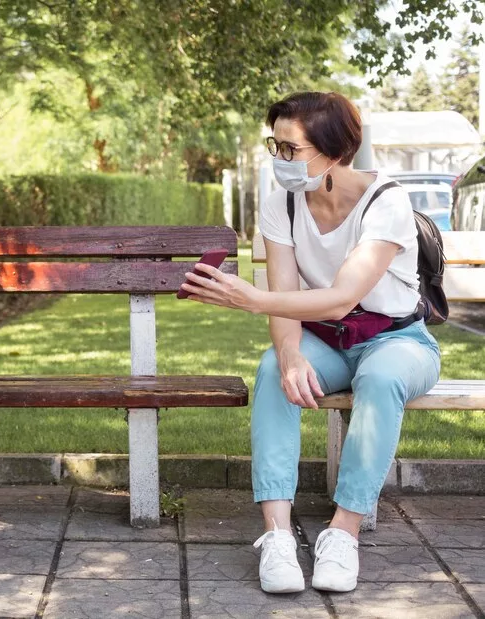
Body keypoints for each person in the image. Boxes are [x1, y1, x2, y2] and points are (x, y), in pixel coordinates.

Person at [179, 91, 440, 593]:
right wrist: (290, 354)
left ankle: (343, 532)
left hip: (398, 339)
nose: (279, 159)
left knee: (380, 377)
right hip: (328, 341)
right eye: (274, 146)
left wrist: (251, 300)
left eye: (290, 149)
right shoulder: (282, 203)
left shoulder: (386, 201)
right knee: (273, 371)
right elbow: (285, 299)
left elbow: (342, 298)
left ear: (335, 153)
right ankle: (277, 535)